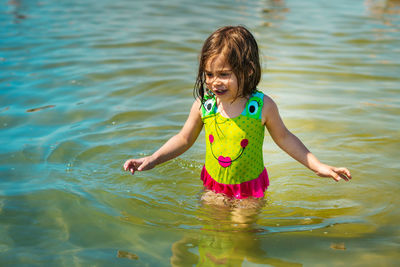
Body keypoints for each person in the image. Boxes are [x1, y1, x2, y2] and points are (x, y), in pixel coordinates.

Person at [123, 25, 351, 204]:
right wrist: (153, 159)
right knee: (214, 230)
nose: (214, 82)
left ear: (248, 70)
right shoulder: (205, 106)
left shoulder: (262, 107)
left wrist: (317, 165)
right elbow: (184, 139)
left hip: (249, 190)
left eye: (223, 74)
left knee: (242, 232)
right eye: (209, 74)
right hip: (213, 186)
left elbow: (285, 138)